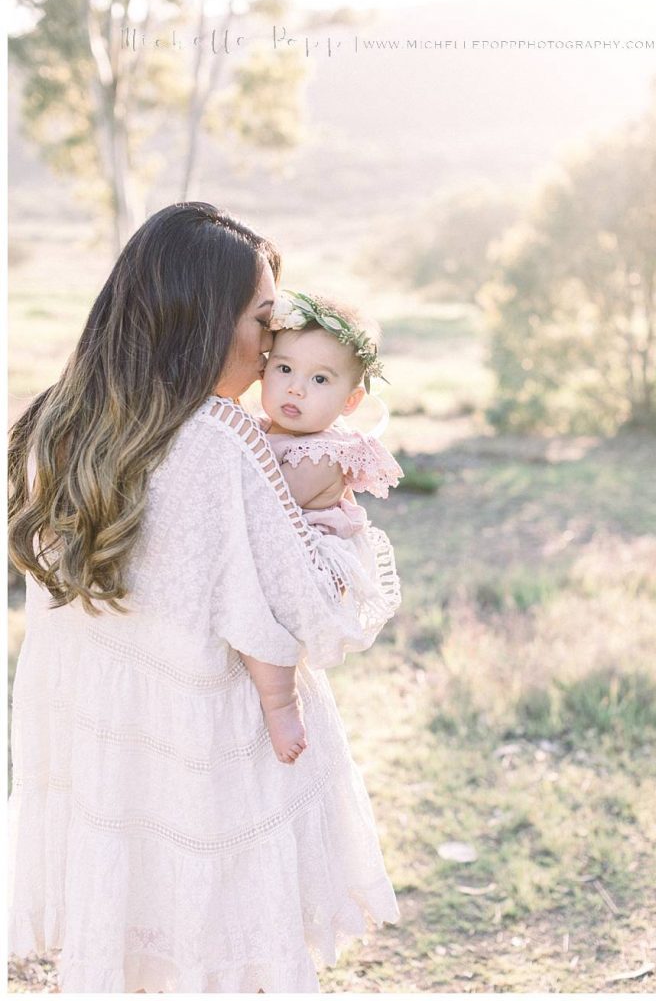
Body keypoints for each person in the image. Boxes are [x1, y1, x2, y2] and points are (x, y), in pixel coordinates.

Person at [7, 202, 402, 993]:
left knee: (134, 954)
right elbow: (312, 615)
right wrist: (339, 530)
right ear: (203, 319)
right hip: (202, 755)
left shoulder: (63, 422)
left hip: (108, 754)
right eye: (263, 321)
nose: (272, 349)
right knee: (221, 961)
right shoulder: (220, 439)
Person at [238, 289, 404, 765]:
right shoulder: (263, 428)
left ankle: (281, 702)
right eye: (285, 369)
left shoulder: (322, 455)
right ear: (263, 368)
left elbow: (264, 506)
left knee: (262, 615)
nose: (295, 389)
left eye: (319, 379)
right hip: (282, 548)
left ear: (350, 401)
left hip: (312, 564)